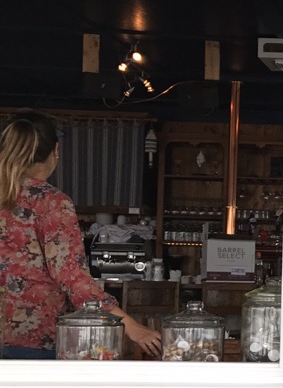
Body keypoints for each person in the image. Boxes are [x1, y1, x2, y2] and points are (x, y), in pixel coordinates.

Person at [0, 111, 162, 358]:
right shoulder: (51, 202)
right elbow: (72, 276)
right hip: (32, 338)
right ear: (56, 150)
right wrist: (130, 326)